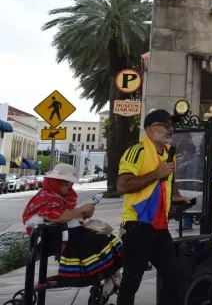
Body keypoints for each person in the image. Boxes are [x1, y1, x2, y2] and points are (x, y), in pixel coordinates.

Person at [116, 109, 191, 305]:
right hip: (136, 224)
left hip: (159, 226)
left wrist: (176, 197)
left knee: (173, 274)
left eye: (171, 125)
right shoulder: (137, 151)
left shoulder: (169, 154)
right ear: (149, 129)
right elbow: (122, 185)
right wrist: (155, 174)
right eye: (164, 125)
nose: (170, 129)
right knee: (132, 278)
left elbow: (168, 181)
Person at [21, 164, 122, 293]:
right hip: (53, 237)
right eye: (68, 184)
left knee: (104, 236)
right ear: (58, 183)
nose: (70, 187)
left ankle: (111, 272)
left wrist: (84, 212)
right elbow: (60, 218)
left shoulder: (62, 196)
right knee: (96, 240)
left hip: (64, 232)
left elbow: (70, 215)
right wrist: (81, 210)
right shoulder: (46, 197)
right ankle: (108, 274)